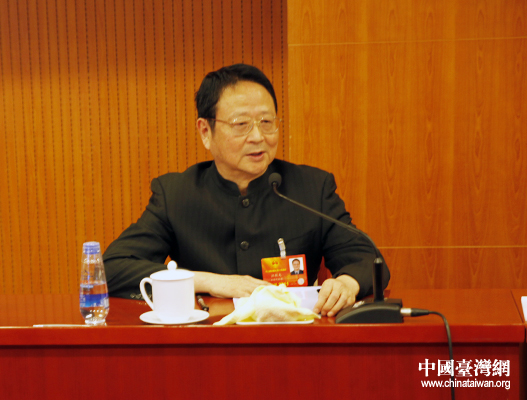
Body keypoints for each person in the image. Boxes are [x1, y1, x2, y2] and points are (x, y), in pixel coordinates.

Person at [103, 64, 390, 317]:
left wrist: (346, 284)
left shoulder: (312, 188)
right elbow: (113, 268)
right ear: (205, 132)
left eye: (267, 122)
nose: (257, 136)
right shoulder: (176, 194)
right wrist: (211, 281)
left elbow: (367, 259)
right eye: (241, 124)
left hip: (292, 341)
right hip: (207, 344)